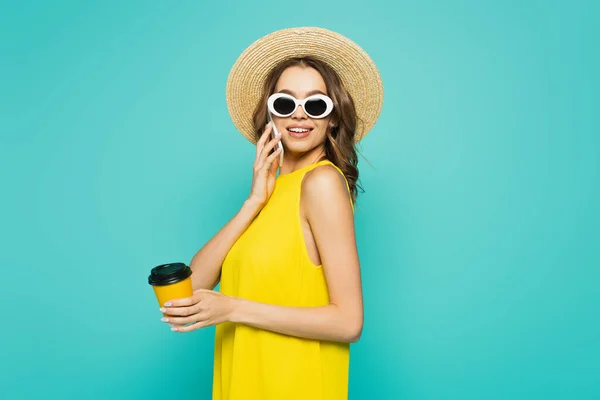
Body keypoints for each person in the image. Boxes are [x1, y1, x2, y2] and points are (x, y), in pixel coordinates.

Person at [158, 27, 384, 400]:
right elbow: (192, 288)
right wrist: (252, 202)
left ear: (333, 118)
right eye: (285, 103)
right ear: (270, 114)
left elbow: (348, 322)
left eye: (315, 105)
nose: (299, 115)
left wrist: (233, 308)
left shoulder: (322, 183)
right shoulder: (270, 193)